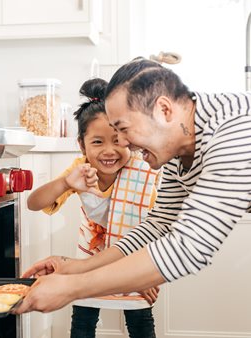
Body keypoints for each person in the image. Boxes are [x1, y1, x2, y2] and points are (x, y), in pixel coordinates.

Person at [15, 57, 251, 314]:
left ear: (163, 110)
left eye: (124, 130)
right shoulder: (176, 148)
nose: (123, 143)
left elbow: (189, 247)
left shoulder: (235, 130)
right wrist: (74, 266)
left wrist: (73, 287)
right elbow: (159, 225)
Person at [25, 77, 160, 338]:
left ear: (129, 139)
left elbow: (156, 225)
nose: (109, 151)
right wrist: (66, 182)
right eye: (97, 142)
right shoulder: (80, 172)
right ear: (81, 145)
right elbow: (34, 203)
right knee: (83, 325)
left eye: (118, 141)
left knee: (141, 325)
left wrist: (149, 273)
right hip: (87, 263)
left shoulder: (143, 171)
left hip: (134, 263)